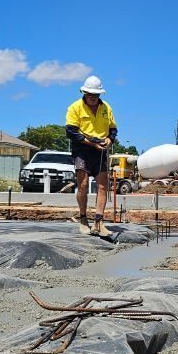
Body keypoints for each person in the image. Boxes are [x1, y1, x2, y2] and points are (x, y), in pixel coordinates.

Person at [65, 75, 118, 236]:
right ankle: (83, 220)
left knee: (103, 185)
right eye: (90, 95)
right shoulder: (75, 107)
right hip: (82, 149)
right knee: (83, 184)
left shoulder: (106, 108)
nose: (93, 98)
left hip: (100, 149)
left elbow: (113, 129)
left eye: (96, 95)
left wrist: (109, 139)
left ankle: (99, 222)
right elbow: (71, 132)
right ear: (84, 93)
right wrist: (92, 143)